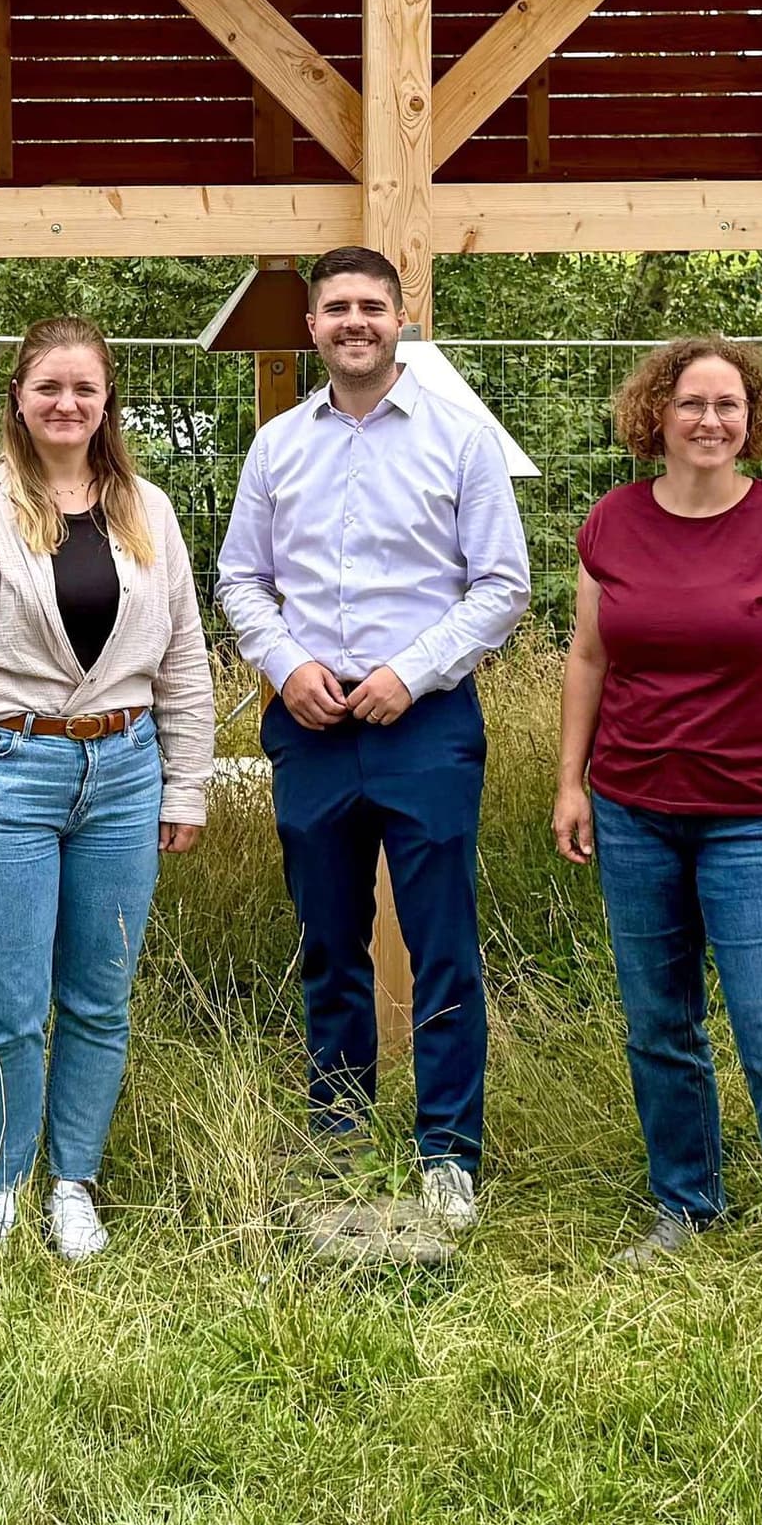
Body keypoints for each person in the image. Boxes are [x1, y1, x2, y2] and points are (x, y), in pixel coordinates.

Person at [216, 245, 530, 1227]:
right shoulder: (278, 448)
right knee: (328, 938)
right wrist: (287, 666)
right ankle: (341, 1138)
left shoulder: (458, 440)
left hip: (423, 722)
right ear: (312, 326)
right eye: (336, 308)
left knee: (440, 942)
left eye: (372, 306)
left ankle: (447, 1155)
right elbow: (239, 580)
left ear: (402, 320)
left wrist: (412, 671)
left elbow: (503, 586)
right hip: (311, 724)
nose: (354, 321)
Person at [0, 316, 217, 1264]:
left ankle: (72, 1179)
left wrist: (187, 783)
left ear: (106, 399)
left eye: (84, 388)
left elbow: (184, 658)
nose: (67, 405)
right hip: (10, 772)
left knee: (99, 996)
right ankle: (2, 1180)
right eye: (49, 388)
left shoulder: (146, 511)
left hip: (124, 771)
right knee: (8, 1000)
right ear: (18, 399)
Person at [552, 336, 762, 1268]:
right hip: (633, 808)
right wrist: (572, 782)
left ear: (751, 420)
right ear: (659, 415)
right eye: (693, 403)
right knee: (659, 1024)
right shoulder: (611, 524)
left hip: (757, 817)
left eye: (730, 406)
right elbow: (589, 658)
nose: (711, 421)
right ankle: (686, 1207)